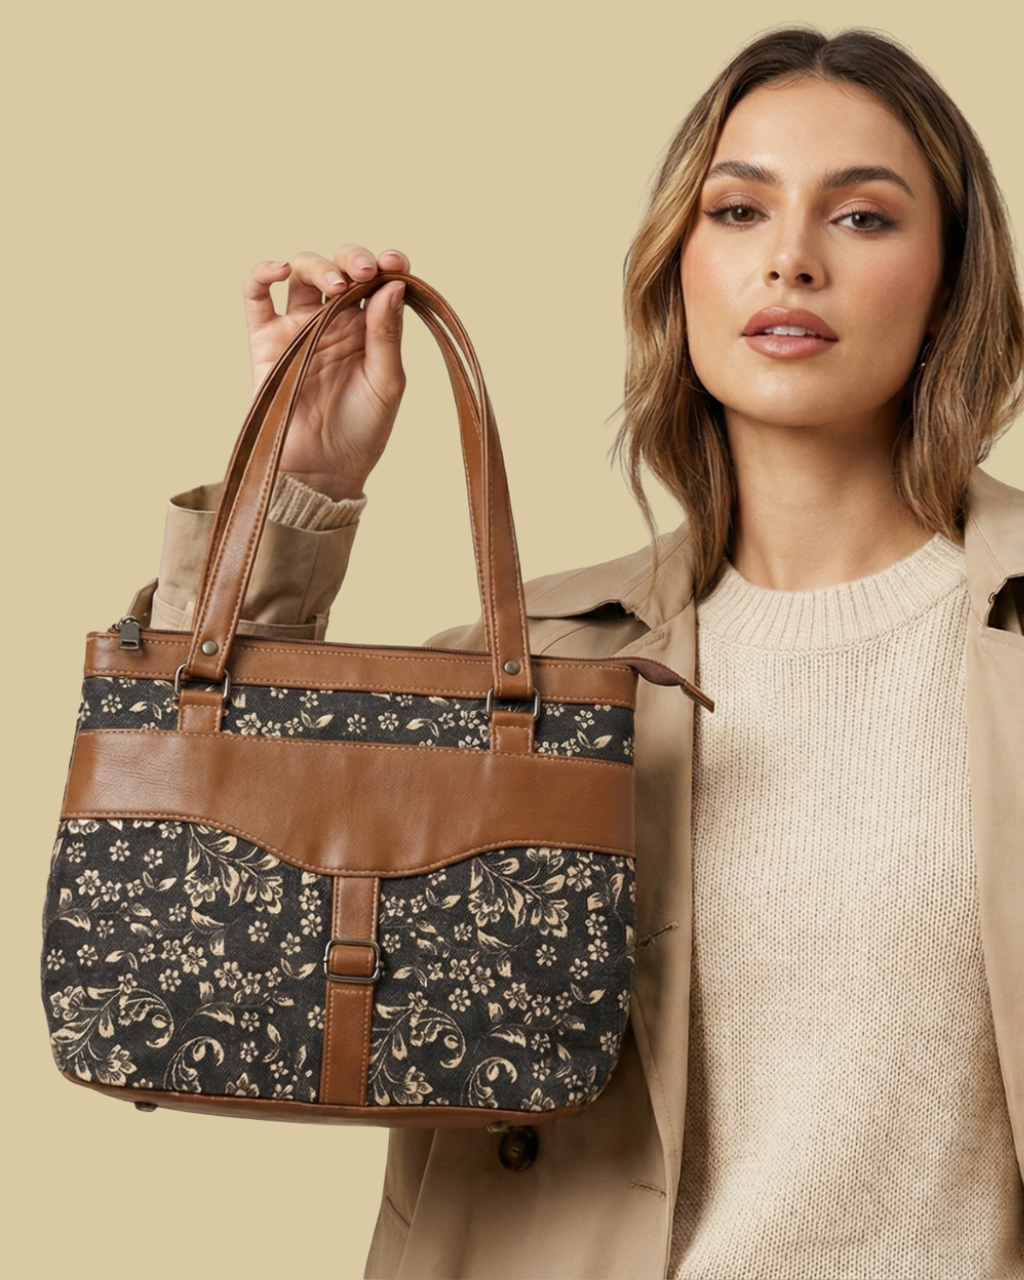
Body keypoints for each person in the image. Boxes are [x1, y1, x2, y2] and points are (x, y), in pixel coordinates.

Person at [144, 26, 1024, 1280]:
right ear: (677, 272)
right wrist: (296, 485)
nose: (791, 258)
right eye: (738, 210)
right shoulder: (536, 677)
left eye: (862, 217)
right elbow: (195, 902)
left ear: (951, 282)